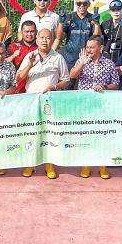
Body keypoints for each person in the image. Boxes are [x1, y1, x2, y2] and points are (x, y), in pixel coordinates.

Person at [16, 28, 70, 179]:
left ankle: (49, 164)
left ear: (52, 40)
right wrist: (30, 65)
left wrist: (54, 87)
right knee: (31, 132)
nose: (45, 40)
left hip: (50, 102)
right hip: (31, 101)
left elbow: (66, 80)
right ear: (37, 40)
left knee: (49, 133)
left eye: (48, 38)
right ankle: (30, 164)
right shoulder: (29, 56)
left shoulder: (58, 57)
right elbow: (18, 78)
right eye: (42, 38)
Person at [70, 36, 120, 179]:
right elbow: (72, 76)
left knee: (101, 135)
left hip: (102, 106)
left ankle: (102, 165)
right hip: (84, 105)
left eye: (92, 47)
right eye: (88, 47)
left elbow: (115, 84)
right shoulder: (82, 60)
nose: (89, 50)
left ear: (101, 48)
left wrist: (104, 87)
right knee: (85, 134)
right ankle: (86, 164)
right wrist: (82, 64)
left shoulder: (109, 64)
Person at [56, 0, 99, 67]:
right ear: (76, 4)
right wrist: (61, 22)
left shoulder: (92, 18)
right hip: (69, 58)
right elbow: (60, 37)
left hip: (87, 57)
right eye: (79, 3)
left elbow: (96, 37)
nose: (82, 5)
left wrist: (97, 23)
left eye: (85, 3)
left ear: (89, 4)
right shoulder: (69, 17)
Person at [7, 20, 40, 94]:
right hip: (17, 88)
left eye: (32, 31)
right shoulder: (13, 46)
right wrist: (13, 56)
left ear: (36, 32)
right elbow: (2, 63)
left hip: (35, 87)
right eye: (26, 31)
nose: (29, 34)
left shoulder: (41, 48)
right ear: (21, 32)